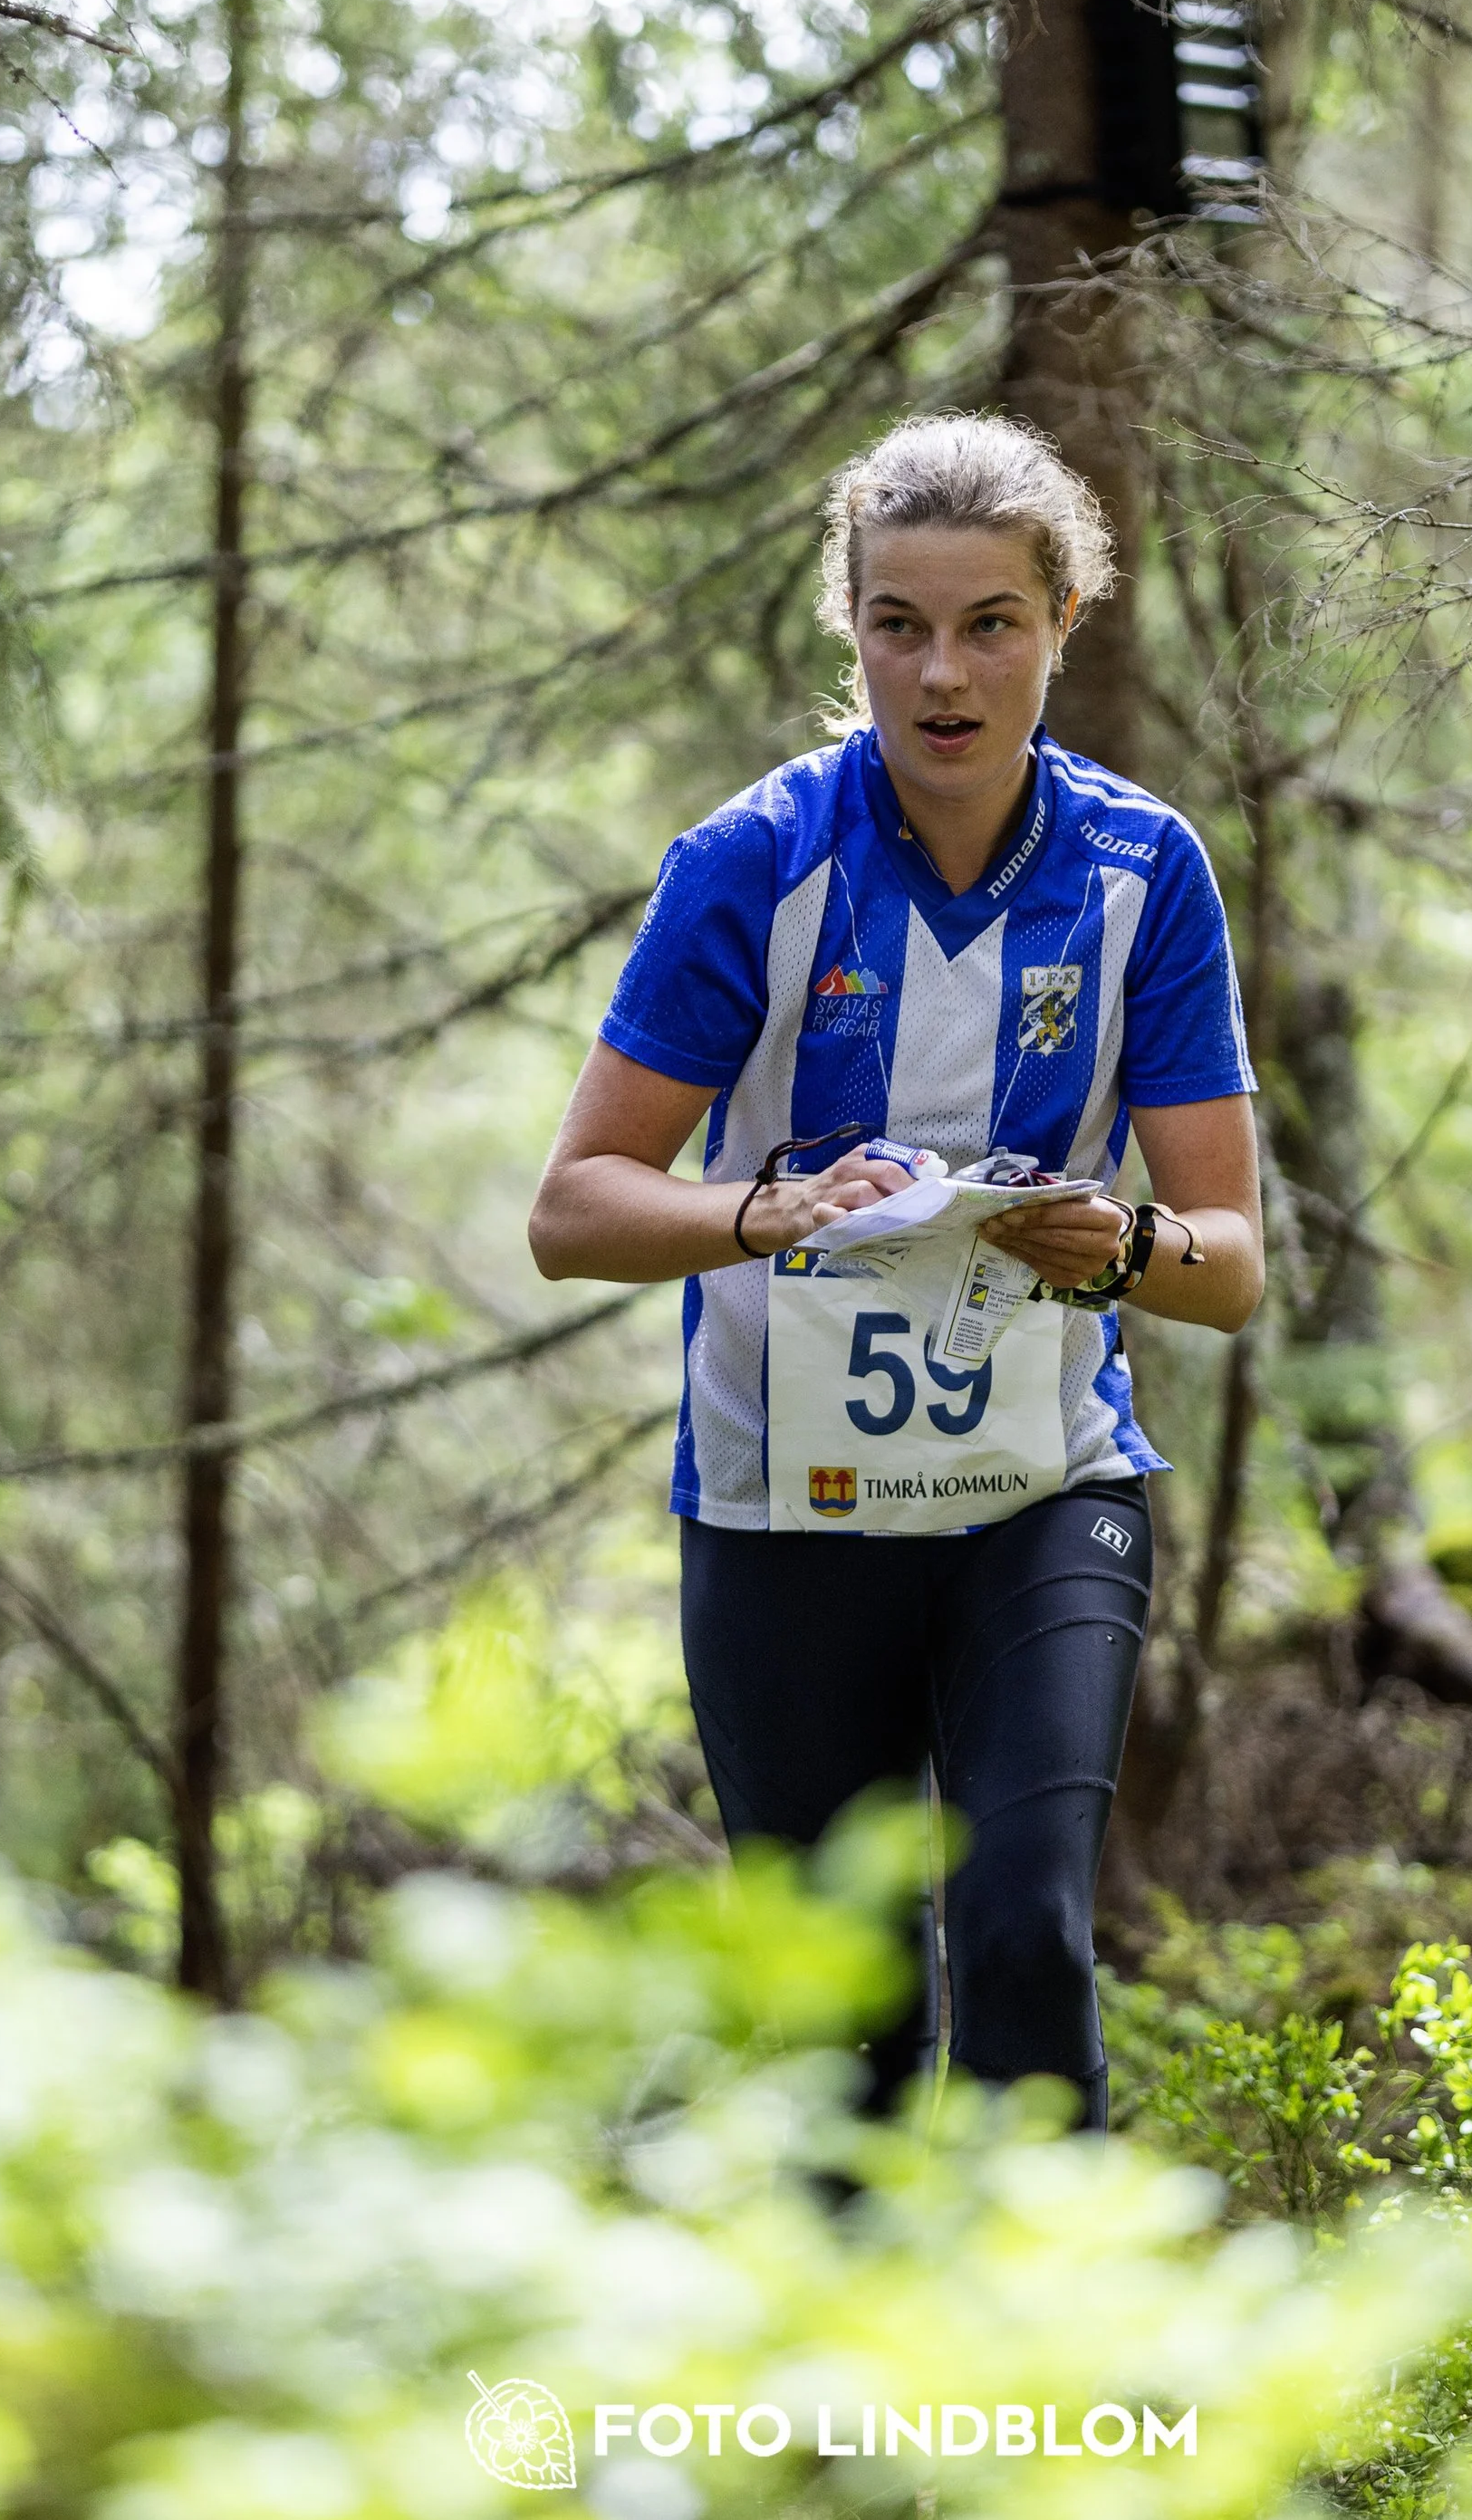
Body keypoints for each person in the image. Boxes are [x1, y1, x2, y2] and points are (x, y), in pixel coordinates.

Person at [528, 413, 1264, 2131]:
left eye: (989, 624)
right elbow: (574, 1211)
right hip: (789, 1506)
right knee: (837, 2023)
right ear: (848, 625)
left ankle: (1047, 2383)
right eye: (898, 625)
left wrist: (1128, 1244)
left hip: (1041, 1488)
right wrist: (757, 1216)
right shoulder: (756, 862)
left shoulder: (1141, 871)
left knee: (1024, 1934)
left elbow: (1225, 1269)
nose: (942, 672)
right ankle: (839, 2403)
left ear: (1063, 620)